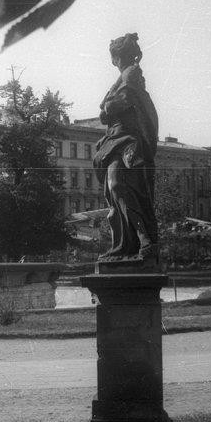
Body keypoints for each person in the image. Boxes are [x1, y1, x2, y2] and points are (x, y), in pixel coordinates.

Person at [93, 32, 159, 261]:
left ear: (118, 57)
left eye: (116, 57)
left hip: (126, 140)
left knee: (118, 184)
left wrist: (108, 108)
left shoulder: (131, 72)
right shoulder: (124, 76)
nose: (115, 61)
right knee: (115, 190)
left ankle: (143, 241)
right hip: (115, 140)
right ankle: (127, 245)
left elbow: (123, 101)